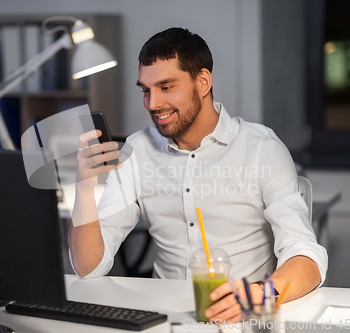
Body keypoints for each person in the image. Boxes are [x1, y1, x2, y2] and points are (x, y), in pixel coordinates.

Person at [68, 27, 327, 323]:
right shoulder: (136, 151)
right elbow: (89, 267)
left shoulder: (261, 149)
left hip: (242, 317)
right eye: (146, 90)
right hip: (163, 319)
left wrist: (259, 296)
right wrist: (84, 188)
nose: (153, 104)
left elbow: (307, 257)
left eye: (166, 87)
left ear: (202, 82)